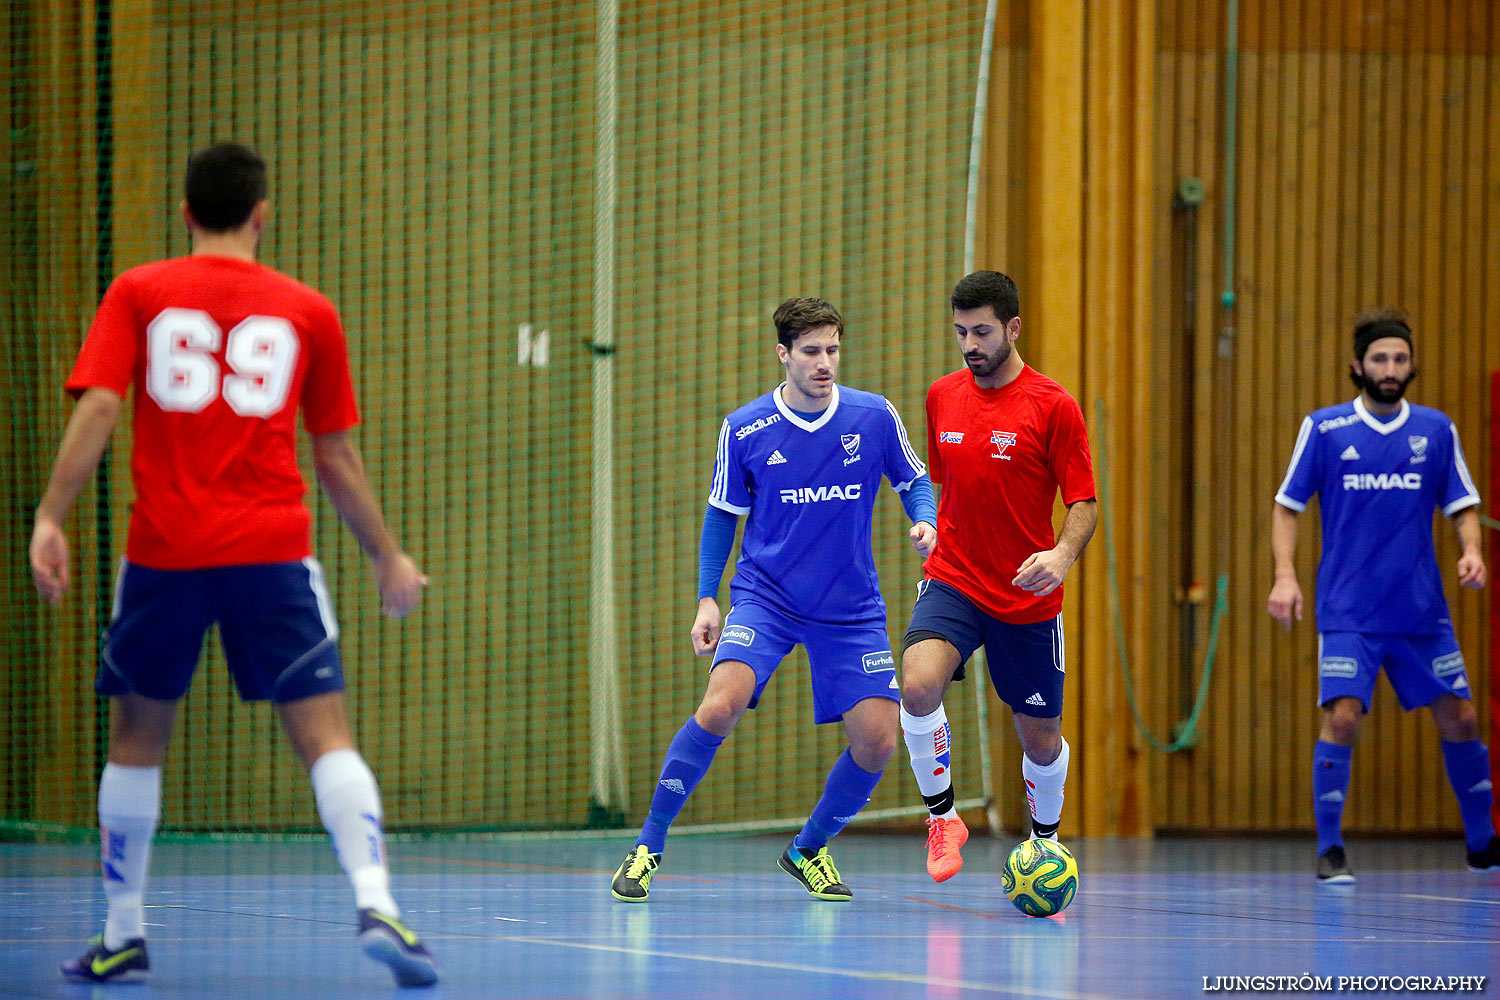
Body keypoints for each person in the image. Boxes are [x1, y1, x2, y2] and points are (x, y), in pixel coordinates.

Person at [29, 142, 439, 986]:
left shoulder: (138, 292)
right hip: (271, 551)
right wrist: (388, 557)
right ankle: (377, 901)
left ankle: (123, 932)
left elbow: (102, 405)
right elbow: (336, 457)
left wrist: (50, 517)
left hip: (163, 552)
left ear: (185, 214)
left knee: (137, 737)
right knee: (325, 736)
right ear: (263, 212)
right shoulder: (307, 310)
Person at [609, 297, 937, 902]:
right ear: (783, 354)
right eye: (811, 351)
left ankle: (808, 849)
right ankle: (647, 846)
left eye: (833, 349)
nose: (824, 363)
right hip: (767, 596)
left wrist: (926, 521)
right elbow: (720, 516)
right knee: (721, 702)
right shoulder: (745, 428)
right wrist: (708, 599)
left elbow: (915, 480)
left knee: (879, 739)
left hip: (850, 605)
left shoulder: (873, 415)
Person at [1268, 310, 1500, 883]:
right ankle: (1330, 849)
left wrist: (1471, 549)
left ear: (1411, 365)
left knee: (1463, 716)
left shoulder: (1436, 430)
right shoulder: (1324, 430)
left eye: (1399, 358)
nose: (1390, 369)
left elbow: (1463, 504)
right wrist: (1285, 576)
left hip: (1421, 613)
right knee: (1342, 718)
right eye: (1379, 359)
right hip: (1349, 611)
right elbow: (1286, 506)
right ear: (1358, 366)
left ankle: (1482, 843)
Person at [897, 270, 1097, 883]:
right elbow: (939, 482)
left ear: (1013, 327)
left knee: (1039, 738)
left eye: (981, 331)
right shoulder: (942, 396)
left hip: (1025, 593)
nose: (969, 344)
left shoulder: (1053, 405)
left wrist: (1060, 558)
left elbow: (1084, 503)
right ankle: (943, 816)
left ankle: (1046, 841)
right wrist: (930, 524)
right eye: (960, 332)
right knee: (916, 683)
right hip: (954, 577)